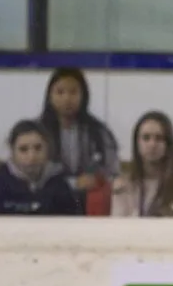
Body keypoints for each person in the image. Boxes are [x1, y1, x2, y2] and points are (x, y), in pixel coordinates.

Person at [39, 67, 119, 209]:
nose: (67, 98)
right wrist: (73, 183)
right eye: (60, 92)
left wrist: (97, 179)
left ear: (84, 96)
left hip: (89, 201)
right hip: (48, 200)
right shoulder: (38, 131)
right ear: (49, 96)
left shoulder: (98, 132)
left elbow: (112, 172)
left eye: (73, 92)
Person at [111, 111, 173, 217]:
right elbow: (117, 228)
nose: (152, 144)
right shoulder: (122, 186)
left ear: (168, 144)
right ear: (137, 143)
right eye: (146, 138)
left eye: (159, 138)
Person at [0, 119, 78, 216]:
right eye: (23, 149)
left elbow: (75, 224)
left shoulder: (60, 185)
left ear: (48, 148)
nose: (32, 156)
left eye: (38, 148)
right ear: (12, 151)